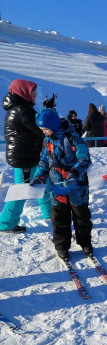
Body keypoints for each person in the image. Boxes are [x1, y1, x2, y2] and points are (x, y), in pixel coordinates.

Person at [31, 108, 93, 260]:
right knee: (59, 218)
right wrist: (39, 177)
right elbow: (45, 161)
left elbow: (84, 160)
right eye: (42, 130)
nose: (44, 132)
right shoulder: (48, 141)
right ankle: (61, 246)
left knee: (81, 217)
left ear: (53, 126)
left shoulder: (74, 138)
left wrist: (76, 172)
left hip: (77, 187)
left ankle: (85, 243)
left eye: (45, 129)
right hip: (57, 187)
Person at [0, 79, 52, 234]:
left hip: (28, 154)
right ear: (24, 92)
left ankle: (50, 213)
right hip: (24, 157)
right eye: (32, 93)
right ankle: (5, 223)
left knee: (42, 183)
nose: (35, 95)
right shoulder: (23, 110)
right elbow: (40, 128)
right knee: (22, 190)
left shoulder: (21, 108)